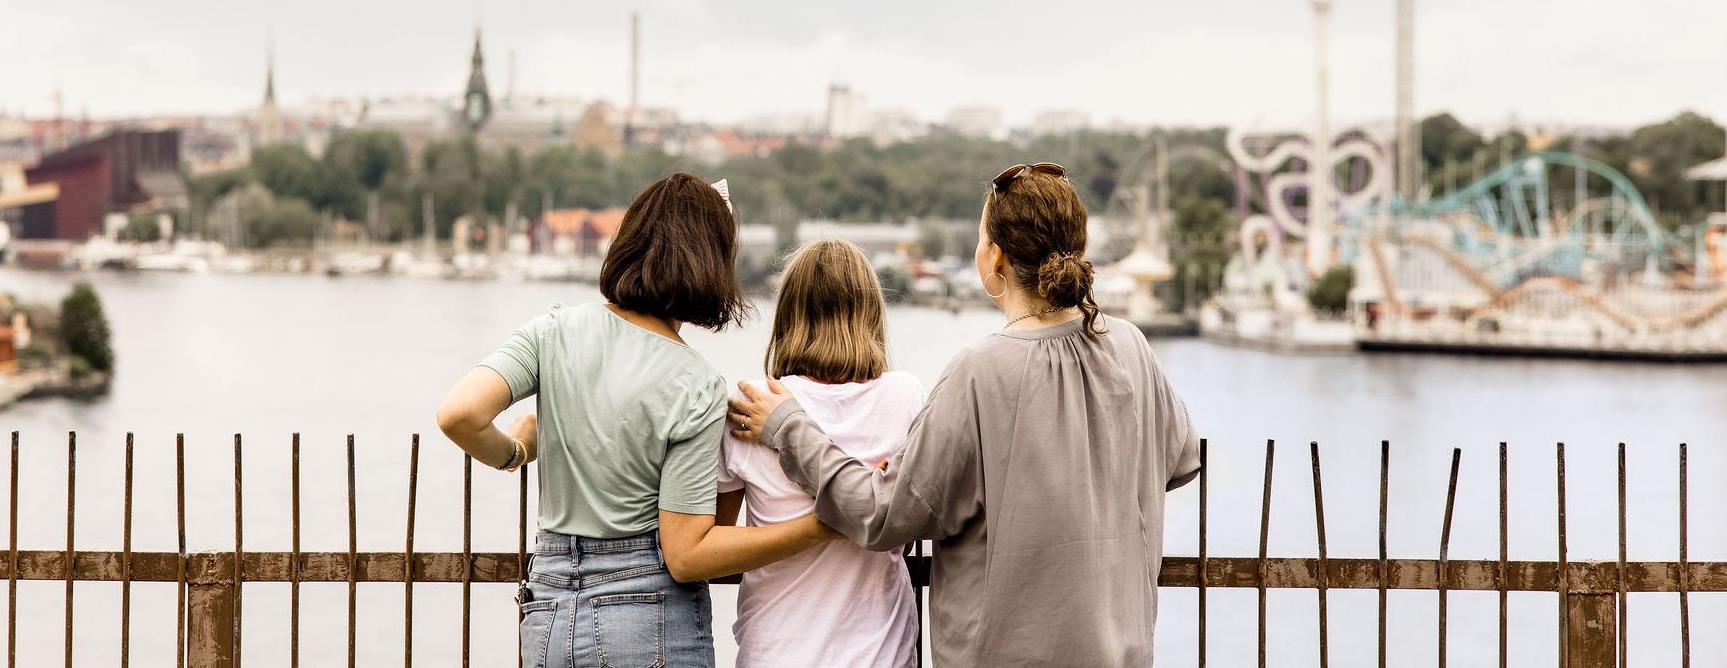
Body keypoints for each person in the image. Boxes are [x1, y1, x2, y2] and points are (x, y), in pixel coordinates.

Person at [727, 163, 1201, 668]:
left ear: (993, 257)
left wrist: (787, 427)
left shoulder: (980, 372)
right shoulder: (1129, 345)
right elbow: (1181, 459)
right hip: (1122, 651)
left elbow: (884, 516)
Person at [437, 173, 838, 668]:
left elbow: (458, 414)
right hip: (646, 617)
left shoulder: (553, 331)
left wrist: (514, 451)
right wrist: (818, 527)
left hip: (548, 609)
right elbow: (688, 555)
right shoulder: (696, 382)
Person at [716, 239, 926, 668]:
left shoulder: (752, 406)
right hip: (880, 652)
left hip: (775, 650)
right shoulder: (905, 397)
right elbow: (902, 532)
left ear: (788, 314)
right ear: (870, 314)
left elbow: (716, 557)